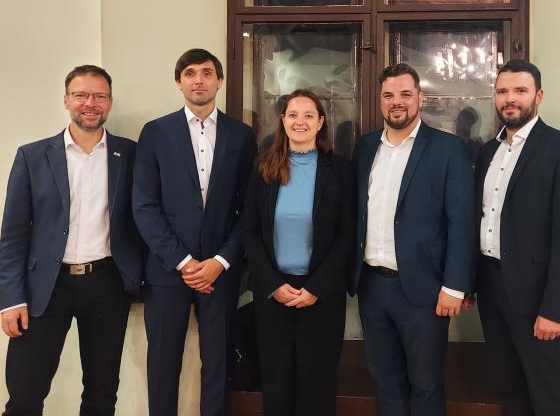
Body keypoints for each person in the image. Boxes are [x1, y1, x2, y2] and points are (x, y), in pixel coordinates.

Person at [0, 65, 143, 415]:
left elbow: (144, 219)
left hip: (107, 285)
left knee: (102, 391)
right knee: (24, 392)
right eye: (81, 95)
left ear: (110, 103)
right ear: (66, 100)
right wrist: (11, 298)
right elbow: (13, 235)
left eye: (99, 96)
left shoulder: (131, 154)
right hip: (44, 288)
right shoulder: (32, 156)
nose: (90, 103)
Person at [133, 49, 257, 416]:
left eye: (206, 72)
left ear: (219, 81)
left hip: (221, 271)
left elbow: (248, 209)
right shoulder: (155, 132)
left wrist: (220, 261)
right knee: (163, 365)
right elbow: (144, 206)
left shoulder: (242, 135)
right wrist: (184, 262)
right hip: (168, 272)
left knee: (218, 365)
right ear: (179, 82)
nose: (198, 79)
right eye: (190, 73)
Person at [351, 63, 477, 416]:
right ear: (380, 101)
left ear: (420, 98)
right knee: (385, 380)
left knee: (425, 383)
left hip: (425, 290)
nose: (397, 102)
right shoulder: (364, 148)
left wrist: (455, 285)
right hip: (372, 286)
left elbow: (461, 221)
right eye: (389, 95)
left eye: (405, 94)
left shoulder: (448, 149)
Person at [473, 60, 560, 416]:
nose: (510, 99)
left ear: (538, 96)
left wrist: (554, 309)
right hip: (491, 288)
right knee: (509, 388)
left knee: (545, 393)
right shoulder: (487, 151)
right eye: (503, 91)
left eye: (520, 91)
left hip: (537, 296)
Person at [239, 89, 355, 416]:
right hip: (273, 291)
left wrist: (316, 287)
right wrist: (271, 283)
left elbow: (346, 235)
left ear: (320, 123)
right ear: (283, 120)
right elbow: (248, 230)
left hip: (321, 292)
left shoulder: (341, 171)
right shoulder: (263, 169)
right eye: (292, 115)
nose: (299, 121)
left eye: (308, 115)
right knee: (276, 380)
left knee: (317, 382)